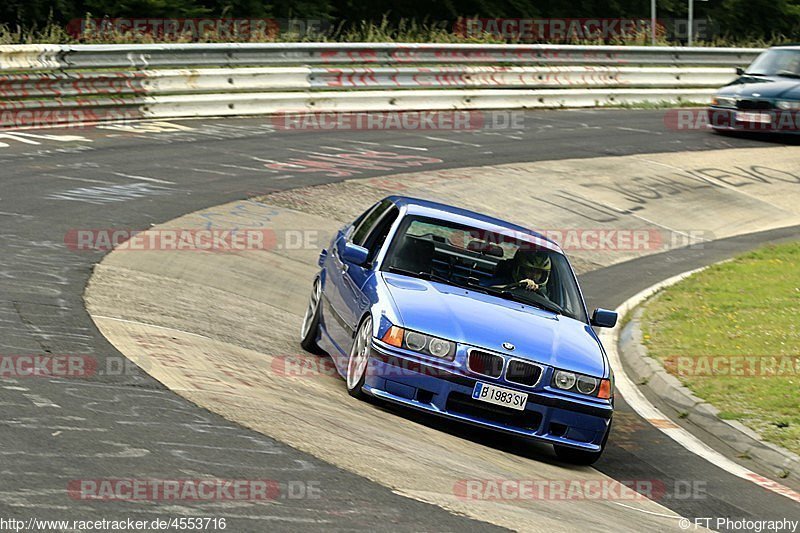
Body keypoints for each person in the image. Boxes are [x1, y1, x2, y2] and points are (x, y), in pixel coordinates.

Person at [483, 248, 551, 293]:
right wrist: (517, 286)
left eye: (538, 272)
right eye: (530, 270)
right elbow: (484, 288)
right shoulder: (502, 281)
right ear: (519, 269)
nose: (534, 276)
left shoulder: (544, 294)